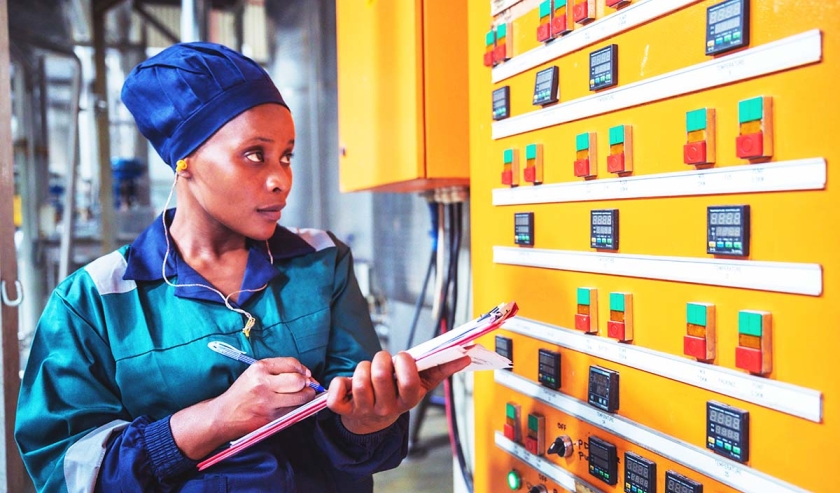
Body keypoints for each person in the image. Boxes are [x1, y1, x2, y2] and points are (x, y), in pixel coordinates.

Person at [14, 42, 470, 492]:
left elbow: (357, 445)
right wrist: (216, 417)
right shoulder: (93, 302)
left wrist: (369, 421)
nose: (281, 179)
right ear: (184, 161)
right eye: (255, 154)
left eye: (286, 155)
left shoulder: (321, 262)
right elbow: (66, 472)